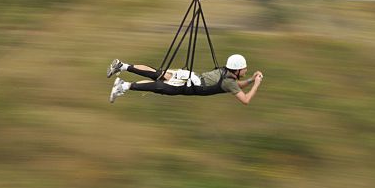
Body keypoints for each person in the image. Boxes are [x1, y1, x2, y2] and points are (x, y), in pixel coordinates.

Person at [107, 54, 263, 105]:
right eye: (244, 68)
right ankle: (123, 85)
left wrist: (250, 80)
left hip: (189, 77)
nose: (246, 70)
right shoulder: (229, 81)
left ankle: (122, 66)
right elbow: (246, 100)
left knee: (158, 74)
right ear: (237, 69)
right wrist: (256, 83)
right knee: (160, 87)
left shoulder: (226, 72)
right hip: (190, 85)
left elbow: (237, 86)